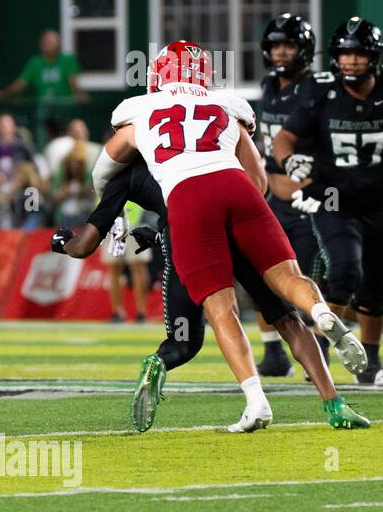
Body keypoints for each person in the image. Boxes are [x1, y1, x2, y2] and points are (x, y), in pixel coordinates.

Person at [97, 40, 367, 433]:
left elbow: (104, 169)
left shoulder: (137, 112)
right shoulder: (227, 105)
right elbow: (258, 181)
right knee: (290, 293)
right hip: (237, 190)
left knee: (220, 311)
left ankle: (256, 401)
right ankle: (327, 342)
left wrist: (106, 204)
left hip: (189, 205)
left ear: (157, 76)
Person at [53, 154, 364, 431]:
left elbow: (85, 245)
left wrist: (62, 240)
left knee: (189, 337)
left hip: (189, 228)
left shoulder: (126, 174)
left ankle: (172, 367)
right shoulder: (203, 133)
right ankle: (334, 402)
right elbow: (258, 179)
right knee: (287, 316)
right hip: (236, 206)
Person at [272, 17, 383, 385]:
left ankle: (370, 361)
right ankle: (320, 347)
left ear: (373, 57)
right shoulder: (322, 94)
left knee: (376, 284)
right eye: (345, 54)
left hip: (379, 202)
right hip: (336, 200)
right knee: (344, 270)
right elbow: (283, 138)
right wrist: (291, 162)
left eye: (358, 54)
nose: (350, 61)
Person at [251, 13, 328, 378]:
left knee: (313, 275)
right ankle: (273, 352)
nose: (281, 52)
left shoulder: (317, 88)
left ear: (305, 49)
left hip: (309, 194)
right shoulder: (268, 85)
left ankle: (320, 346)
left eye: (289, 45)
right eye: (275, 45)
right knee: (259, 272)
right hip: (270, 195)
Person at [0, 29, 88, 103]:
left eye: (52, 42)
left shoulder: (68, 60)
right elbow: (20, 84)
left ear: (59, 44)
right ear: (41, 44)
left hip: (64, 106)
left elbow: (74, 84)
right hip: (43, 108)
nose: (49, 45)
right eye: (46, 42)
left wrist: (79, 95)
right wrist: (3, 94)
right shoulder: (35, 62)